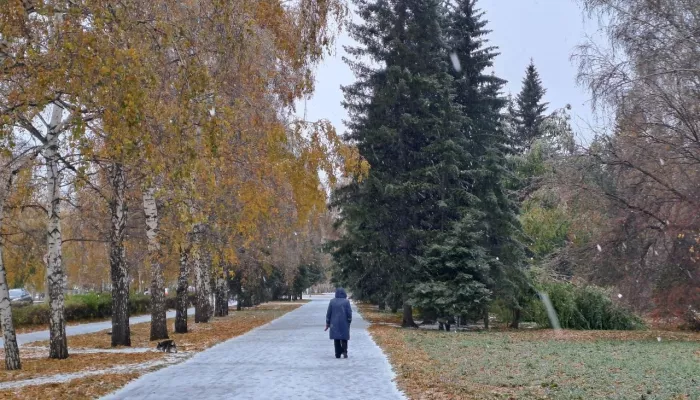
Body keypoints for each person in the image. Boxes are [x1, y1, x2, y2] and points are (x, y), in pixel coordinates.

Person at [325, 287, 352, 359]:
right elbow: (349, 312)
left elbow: (329, 313)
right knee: (344, 337)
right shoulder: (346, 302)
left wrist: (328, 322)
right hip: (344, 322)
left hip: (334, 322)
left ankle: (337, 353)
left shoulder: (332, 301)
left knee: (336, 338)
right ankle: (345, 351)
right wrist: (349, 320)